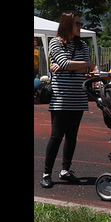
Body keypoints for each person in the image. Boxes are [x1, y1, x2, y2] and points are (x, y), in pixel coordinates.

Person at [41, 12, 94, 188]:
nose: (80, 26)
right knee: (56, 136)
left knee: (72, 137)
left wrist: (74, 65)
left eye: (80, 23)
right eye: (77, 24)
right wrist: (81, 65)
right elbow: (66, 64)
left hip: (78, 97)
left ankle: (65, 170)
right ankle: (46, 173)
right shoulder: (55, 42)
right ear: (67, 25)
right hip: (61, 97)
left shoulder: (83, 45)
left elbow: (85, 68)